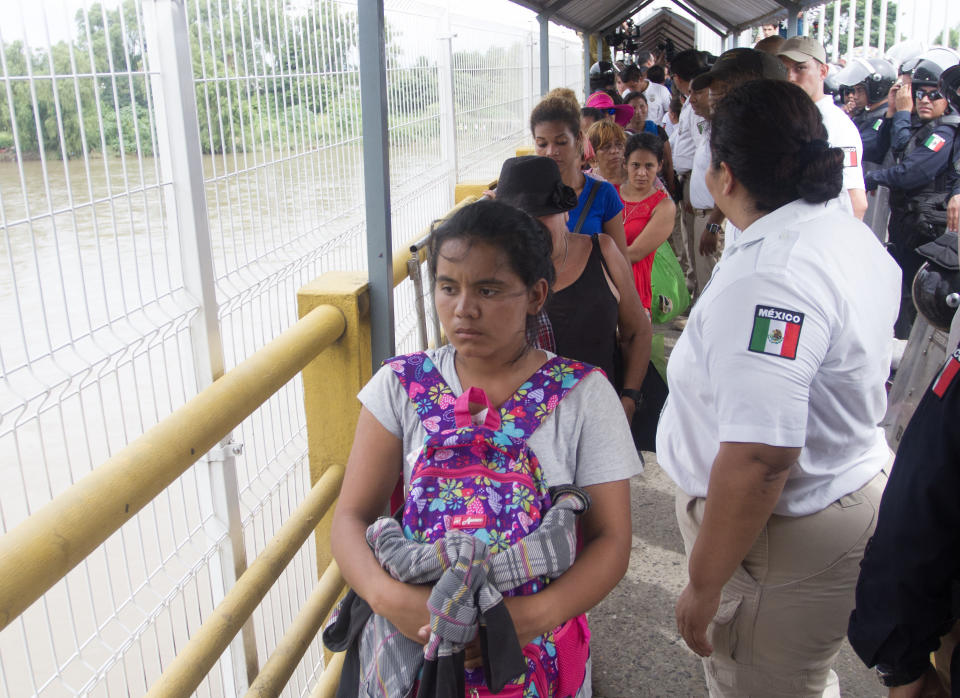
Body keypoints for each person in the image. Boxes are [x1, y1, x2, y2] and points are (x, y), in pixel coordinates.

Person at [330, 199, 641, 697]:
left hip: (535, 651)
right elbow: (351, 517)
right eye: (448, 287)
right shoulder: (401, 384)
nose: (463, 309)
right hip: (415, 652)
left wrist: (526, 618)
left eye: (489, 290)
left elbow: (611, 540)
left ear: (537, 295)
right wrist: (392, 599)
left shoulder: (584, 395)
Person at [657, 79, 900, 697]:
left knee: (760, 684)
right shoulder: (833, 231)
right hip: (828, 496)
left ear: (725, 175)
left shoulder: (774, 277)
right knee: (800, 681)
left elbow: (762, 456)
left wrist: (704, 583)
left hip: (781, 534)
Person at [495, 155, 652, 421]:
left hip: (602, 420)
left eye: (542, 214)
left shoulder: (602, 252)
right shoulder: (492, 278)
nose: (531, 227)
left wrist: (628, 400)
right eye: (520, 220)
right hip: (525, 432)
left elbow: (637, 332)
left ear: (566, 212)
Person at [865, 58, 959, 339]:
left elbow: (910, 169)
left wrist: (872, 178)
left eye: (934, 94)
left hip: (926, 232)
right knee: (902, 297)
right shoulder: (926, 128)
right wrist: (895, 114)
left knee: (919, 303)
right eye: (919, 93)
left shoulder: (945, 131)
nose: (925, 100)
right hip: (908, 227)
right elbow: (890, 148)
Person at [779, 36, 869, 219]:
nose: (790, 77)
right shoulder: (788, 119)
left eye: (800, 68)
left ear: (823, 71)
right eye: (784, 69)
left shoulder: (837, 126)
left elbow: (856, 203)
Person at [531, 94, 629, 258]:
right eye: (542, 144)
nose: (550, 151)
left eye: (561, 142)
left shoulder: (603, 193)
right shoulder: (526, 194)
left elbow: (622, 263)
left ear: (578, 140)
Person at [616, 133, 676, 312]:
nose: (642, 173)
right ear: (625, 164)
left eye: (649, 165)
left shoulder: (664, 206)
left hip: (635, 295)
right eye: (635, 165)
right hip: (602, 291)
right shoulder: (610, 193)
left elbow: (635, 253)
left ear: (659, 166)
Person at [835, 57, 897, 164]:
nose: (854, 96)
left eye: (859, 90)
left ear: (877, 89)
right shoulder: (867, 112)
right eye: (854, 90)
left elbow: (861, 146)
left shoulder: (882, 116)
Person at [622, 91, 676, 193]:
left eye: (642, 106)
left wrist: (671, 185)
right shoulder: (622, 135)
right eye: (633, 108)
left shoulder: (658, 131)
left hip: (657, 185)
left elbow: (668, 162)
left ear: (647, 107)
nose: (638, 111)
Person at [585, 119, 627, 185]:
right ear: (593, 153)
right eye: (607, 147)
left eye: (619, 144)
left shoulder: (634, 179)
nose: (615, 151)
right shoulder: (584, 182)